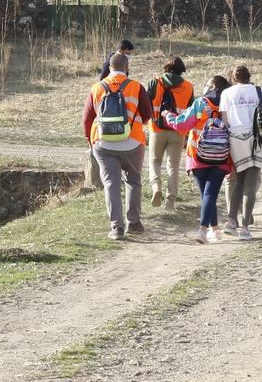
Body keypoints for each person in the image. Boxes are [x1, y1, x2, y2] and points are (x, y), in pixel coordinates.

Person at [82, 53, 153, 241]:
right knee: (133, 180)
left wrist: (92, 142)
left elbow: (87, 120)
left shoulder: (96, 88)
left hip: (103, 143)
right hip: (132, 142)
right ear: (126, 67)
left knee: (111, 184)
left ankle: (116, 228)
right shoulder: (136, 86)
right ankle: (134, 223)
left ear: (109, 67)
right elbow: (147, 115)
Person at [167, 76, 233, 243]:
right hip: (222, 156)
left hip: (198, 154)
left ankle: (203, 231)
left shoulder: (200, 103)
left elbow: (182, 125)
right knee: (209, 194)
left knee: (206, 194)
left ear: (213, 86)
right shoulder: (229, 105)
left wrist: (168, 115)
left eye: (208, 85)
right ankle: (215, 229)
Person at [220, 65, 262, 239]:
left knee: (239, 180)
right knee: (251, 182)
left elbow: (225, 121)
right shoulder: (259, 91)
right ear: (249, 76)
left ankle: (231, 220)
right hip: (257, 139)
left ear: (233, 77)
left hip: (235, 138)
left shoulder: (226, 93)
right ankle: (245, 227)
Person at [145, 57, 194, 209]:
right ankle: (170, 201)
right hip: (178, 131)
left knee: (155, 161)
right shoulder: (188, 86)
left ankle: (156, 187)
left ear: (165, 68)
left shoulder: (155, 82)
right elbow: (191, 111)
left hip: (157, 129)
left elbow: (146, 104)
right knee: (173, 166)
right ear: (182, 69)